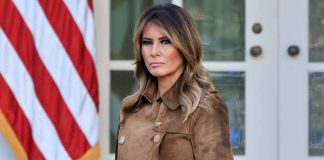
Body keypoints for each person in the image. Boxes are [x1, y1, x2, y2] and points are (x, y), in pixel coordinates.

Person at [116, 3, 233, 160]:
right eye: (147, 42)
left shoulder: (204, 109)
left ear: (185, 46)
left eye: (165, 41)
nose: (154, 52)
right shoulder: (131, 108)